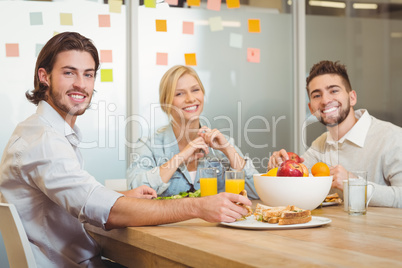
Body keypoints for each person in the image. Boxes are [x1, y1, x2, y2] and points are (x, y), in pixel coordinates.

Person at [0, 32, 252, 267]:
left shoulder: (45, 132)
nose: (81, 84)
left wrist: (123, 195)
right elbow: (104, 211)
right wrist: (198, 207)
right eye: (69, 73)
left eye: (88, 74)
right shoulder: (44, 142)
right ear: (44, 76)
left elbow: (80, 195)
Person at [268, 60, 402, 208]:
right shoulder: (320, 144)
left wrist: (354, 184)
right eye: (317, 95)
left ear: (352, 98)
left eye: (334, 91)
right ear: (311, 109)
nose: (325, 100)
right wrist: (280, 167)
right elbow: (297, 183)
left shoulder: (392, 137)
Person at [127, 65, 259, 199]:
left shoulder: (223, 143)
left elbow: (256, 193)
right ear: (166, 103)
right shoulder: (148, 145)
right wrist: (179, 158)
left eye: (195, 90)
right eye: (179, 93)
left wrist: (229, 151)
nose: (190, 99)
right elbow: (135, 193)